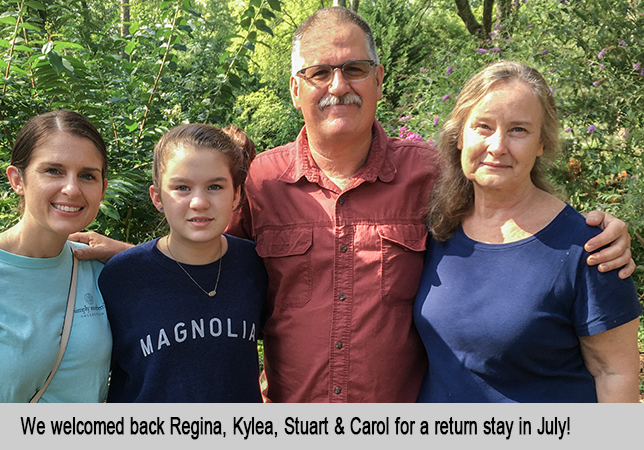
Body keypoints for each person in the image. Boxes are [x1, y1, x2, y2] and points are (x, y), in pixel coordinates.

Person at [71, 7, 635, 403]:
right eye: (319, 71)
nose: (337, 84)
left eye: (354, 68)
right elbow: (204, 254)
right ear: (296, 89)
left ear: (379, 80)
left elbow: (506, 204)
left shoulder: (430, 175)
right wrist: (129, 256)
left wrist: (595, 229)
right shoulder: (260, 180)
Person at [414, 61, 642, 402]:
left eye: (518, 130)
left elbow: (614, 372)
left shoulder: (588, 247)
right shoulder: (435, 226)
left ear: (541, 143)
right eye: (483, 126)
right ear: (459, 136)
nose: (497, 146)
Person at [0, 110, 112, 402]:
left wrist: (133, 255)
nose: (72, 188)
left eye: (87, 176)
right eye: (53, 171)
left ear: (102, 189)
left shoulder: (96, 268)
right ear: (17, 179)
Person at [97, 123, 267, 402]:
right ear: (157, 197)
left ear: (236, 195)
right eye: (182, 188)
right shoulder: (121, 277)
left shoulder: (254, 265)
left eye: (215, 186)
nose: (199, 202)